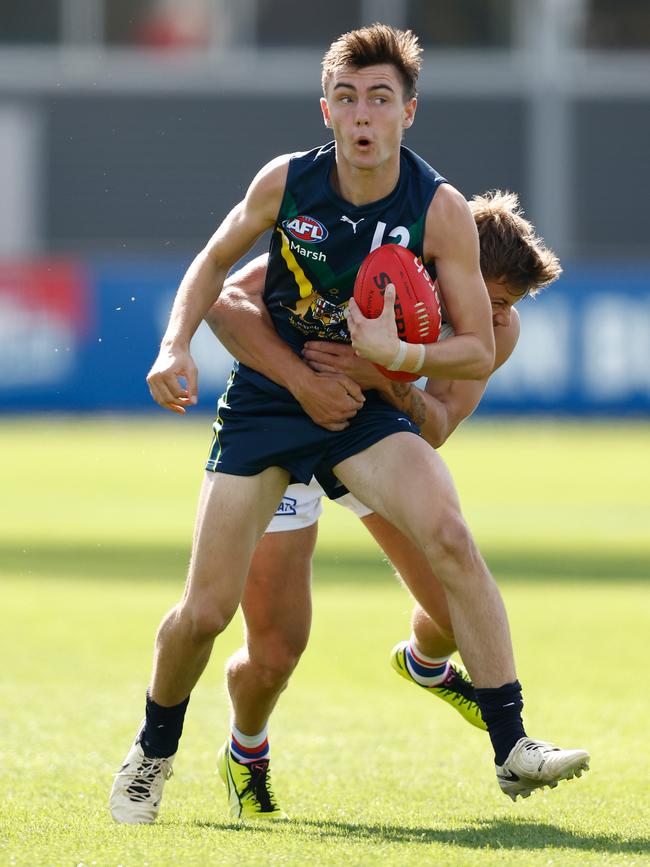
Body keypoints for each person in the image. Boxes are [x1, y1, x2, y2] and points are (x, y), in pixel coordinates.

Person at [109, 24, 589, 825]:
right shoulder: (292, 184)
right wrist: (179, 348)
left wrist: (390, 360)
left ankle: (512, 742)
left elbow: (456, 374)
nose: (363, 114)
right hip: (272, 406)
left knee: (450, 537)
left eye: (380, 99)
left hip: (364, 411)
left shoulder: (436, 215)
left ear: (408, 112)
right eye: (347, 97)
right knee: (231, 626)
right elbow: (221, 284)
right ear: (326, 110)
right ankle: (156, 750)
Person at [204, 191, 569, 820]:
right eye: (497, 297)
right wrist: (301, 378)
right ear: (448, 267)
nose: (503, 316)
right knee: (277, 651)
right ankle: (246, 749)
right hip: (284, 432)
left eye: (508, 304)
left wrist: (388, 376)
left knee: (458, 606)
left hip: (367, 435)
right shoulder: (367, 250)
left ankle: (426, 663)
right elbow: (227, 296)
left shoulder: (497, 330)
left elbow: (439, 422)